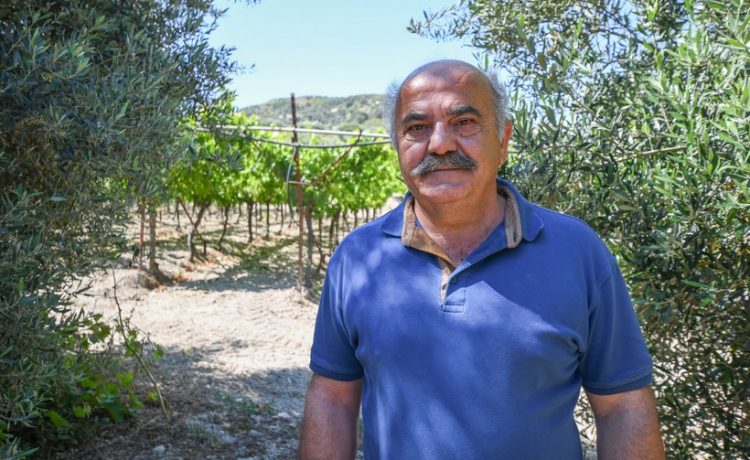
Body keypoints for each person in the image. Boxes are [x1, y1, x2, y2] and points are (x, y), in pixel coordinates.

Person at [299, 60, 665, 459]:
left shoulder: (579, 253)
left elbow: (623, 406)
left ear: (503, 140)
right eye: (417, 128)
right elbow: (332, 398)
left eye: (464, 122)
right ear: (397, 147)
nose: (440, 144)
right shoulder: (357, 259)